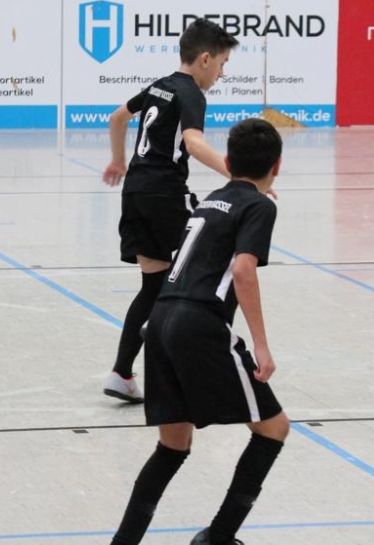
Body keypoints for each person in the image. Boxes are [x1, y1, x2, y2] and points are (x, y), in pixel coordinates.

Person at [112, 118, 288, 545]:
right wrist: (261, 345)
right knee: (273, 428)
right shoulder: (260, 206)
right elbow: (243, 270)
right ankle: (218, 537)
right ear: (277, 166)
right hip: (200, 323)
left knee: (173, 446)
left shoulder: (210, 200)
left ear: (227, 160)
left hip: (160, 319)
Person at [101, 18, 235, 404]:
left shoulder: (159, 85)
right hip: (165, 195)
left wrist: (119, 160)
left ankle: (122, 373)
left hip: (135, 194)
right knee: (225, 264)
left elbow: (117, 117)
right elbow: (194, 144)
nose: (222, 74)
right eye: (222, 64)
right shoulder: (192, 93)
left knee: (154, 286)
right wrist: (239, 176)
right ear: (205, 59)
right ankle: (202, 355)